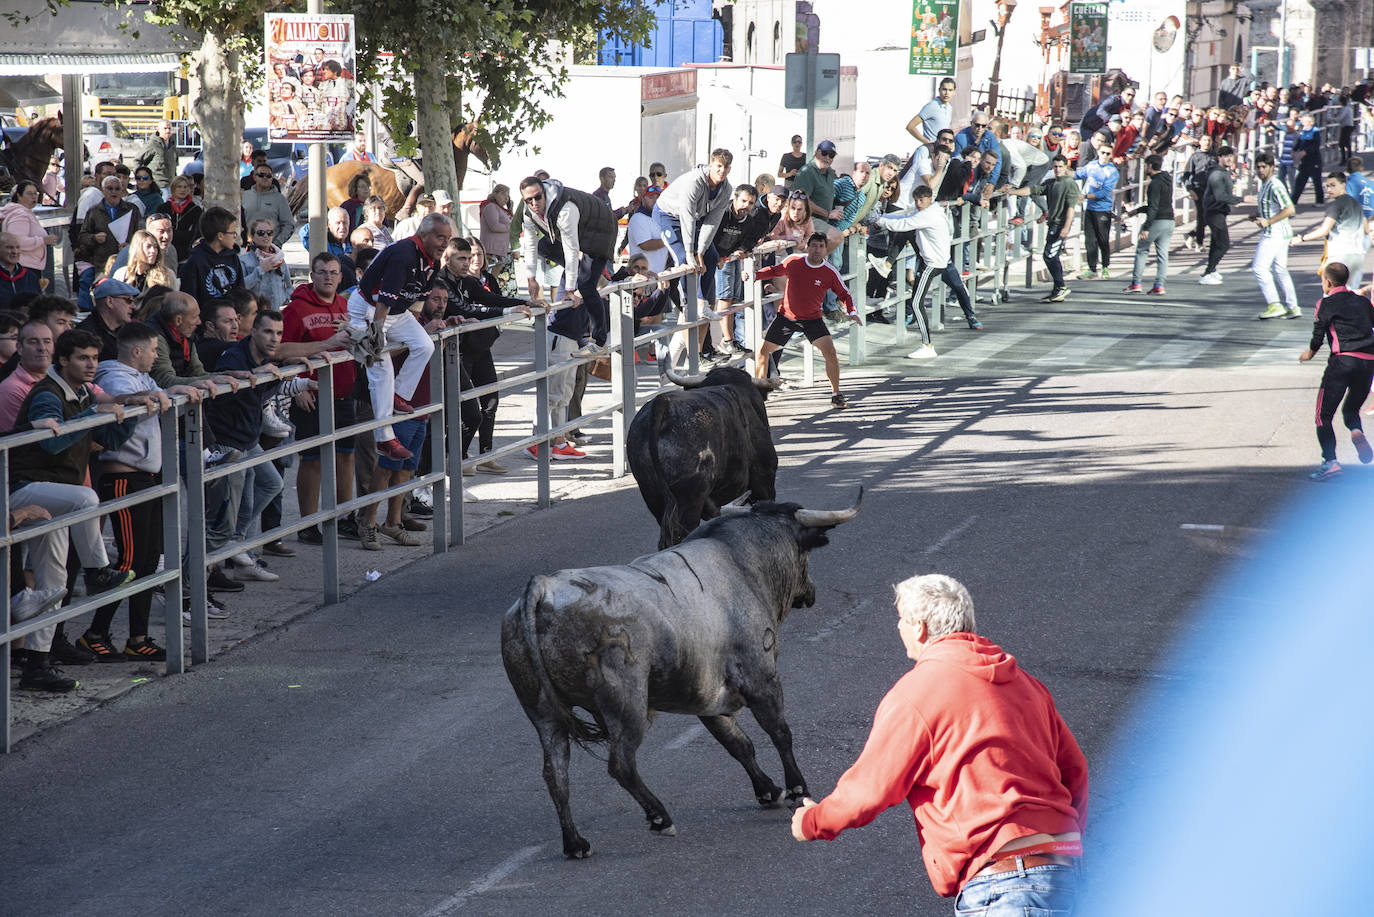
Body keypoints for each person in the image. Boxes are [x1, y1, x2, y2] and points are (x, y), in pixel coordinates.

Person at [791, 573, 1088, 916]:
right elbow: (1074, 771)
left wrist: (813, 822)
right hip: (1064, 872)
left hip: (1003, 884)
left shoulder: (918, 692)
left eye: (901, 619)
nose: (899, 627)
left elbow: (869, 790)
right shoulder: (1027, 685)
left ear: (919, 627)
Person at [9, 329, 156, 690]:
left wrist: (130, 411)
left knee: (54, 581)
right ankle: (98, 571)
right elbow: (52, 444)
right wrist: (92, 414)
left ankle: (36, 667)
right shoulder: (47, 392)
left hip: (57, 497)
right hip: (24, 489)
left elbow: (110, 439)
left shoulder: (86, 392)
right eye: (82, 358)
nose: (91, 364)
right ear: (63, 361)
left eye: (94, 357)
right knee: (88, 498)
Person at [82, 322, 202, 662]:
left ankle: (138, 637)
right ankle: (95, 633)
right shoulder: (119, 377)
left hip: (145, 477)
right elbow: (119, 398)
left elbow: (162, 390)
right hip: (123, 479)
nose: (156, 356)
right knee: (131, 561)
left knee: (149, 561)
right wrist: (140, 398)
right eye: (152, 350)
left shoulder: (143, 376)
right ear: (136, 351)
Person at [348, 212, 451, 460]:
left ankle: (399, 395)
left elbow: (417, 300)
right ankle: (384, 439)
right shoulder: (404, 255)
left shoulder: (432, 261)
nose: (444, 243)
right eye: (439, 237)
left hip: (397, 312)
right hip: (369, 309)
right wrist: (376, 337)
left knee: (424, 345)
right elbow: (383, 303)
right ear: (423, 235)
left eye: (447, 238)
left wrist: (413, 327)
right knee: (381, 369)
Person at [283, 252, 358, 543]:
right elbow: (280, 350)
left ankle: (344, 516)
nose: (328, 277)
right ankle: (308, 523)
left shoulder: (345, 306)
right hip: (311, 396)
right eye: (322, 272)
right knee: (312, 459)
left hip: (343, 394)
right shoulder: (296, 309)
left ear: (341, 277)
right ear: (312, 276)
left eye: (333, 272)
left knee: (345, 456)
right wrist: (297, 385)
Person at [747, 231, 859, 409]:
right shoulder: (794, 261)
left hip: (813, 320)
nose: (817, 249)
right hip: (787, 317)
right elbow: (775, 271)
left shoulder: (829, 272)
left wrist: (852, 311)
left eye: (821, 246)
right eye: (814, 245)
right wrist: (755, 275)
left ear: (826, 251)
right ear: (807, 247)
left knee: (830, 352)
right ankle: (759, 394)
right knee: (762, 350)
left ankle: (836, 394)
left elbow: (844, 293)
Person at [442, 238, 527, 470]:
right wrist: (509, 310)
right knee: (463, 411)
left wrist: (526, 303)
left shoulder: (470, 281)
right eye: (462, 258)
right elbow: (468, 309)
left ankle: (483, 455)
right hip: (456, 352)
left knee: (489, 400)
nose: (468, 262)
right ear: (447, 259)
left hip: (480, 347)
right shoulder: (441, 282)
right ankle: (457, 459)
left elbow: (490, 298)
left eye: (469, 258)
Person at [870, 185, 981, 359]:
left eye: (922, 200)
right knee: (918, 300)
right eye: (916, 200)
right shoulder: (933, 209)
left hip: (933, 264)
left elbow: (904, 223)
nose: (918, 204)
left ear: (929, 198)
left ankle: (928, 345)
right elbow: (906, 214)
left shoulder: (928, 215)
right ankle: (887, 264)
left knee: (916, 303)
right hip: (936, 260)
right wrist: (883, 217)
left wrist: (880, 220)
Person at [518, 174, 616, 356]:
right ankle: (592, 275)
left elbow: (571, 251)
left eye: (537, 197)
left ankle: (600, 342)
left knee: (586, 286)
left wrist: (570, 290)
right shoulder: (528, 212)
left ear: (544, 193)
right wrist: (531, 278)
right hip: (580, 229)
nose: (534, 203)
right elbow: (530, 244)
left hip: (601, 228)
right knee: (542, 246)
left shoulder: (565, 209)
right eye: (528, 200)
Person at [1299, 262, 1374, 481]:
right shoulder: (1361, 301)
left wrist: (1309, 353)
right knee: (1350, 410)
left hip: (1342, 363)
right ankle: (1355, 431)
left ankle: (1330, 462)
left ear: (1328, 282)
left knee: (1323, 415)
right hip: (1368, 362)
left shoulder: (1325, 303)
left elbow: (1318, 335)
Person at [1290, 172, 1371, 292]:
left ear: (1343, 185)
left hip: (1339, 254)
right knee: (1350, 292)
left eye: (1333, 185)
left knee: (1331, 292)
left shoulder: (1337, 205)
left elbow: (1323, 230)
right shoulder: (1356, 203)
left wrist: (1301, 238)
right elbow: (1365, 229)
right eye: (1327, 186)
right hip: (1356, 254)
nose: (1329, 189)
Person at [1251, 151, 1301, 320]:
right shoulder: (1265, 185)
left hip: (1275, 233)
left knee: (1259, 267)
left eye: (1264, 167)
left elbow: (1290, 208)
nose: (1260, 171)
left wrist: (1269, 221)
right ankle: (1293, 306)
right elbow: (1272, 207)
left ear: (1272, 167)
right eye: (1258, 167)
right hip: (1279, 232)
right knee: (1280, 270)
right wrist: (1257, 216)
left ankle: (1275, 304)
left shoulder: (1274, 185)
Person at [1124, 154, 1174, 294]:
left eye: (1146, 165)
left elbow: (1153, 207)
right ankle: (1159, 285)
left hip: (1156, 222)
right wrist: (1137, 210)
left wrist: (1146, 227)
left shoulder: (1154, 184)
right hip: (1169, 221)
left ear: (1150, 165)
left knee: (1142, 251)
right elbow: (1161, 204)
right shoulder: (1166, 180)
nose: (1145, 168)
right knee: (1163, 254)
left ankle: (1136, 283)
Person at [179, 207, 244, 309]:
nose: (235, 236)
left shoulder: (233, 257)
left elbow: (240, 290)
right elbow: (190, 297)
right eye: (232, 233)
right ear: (220, 236)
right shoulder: (196, 260)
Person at [1, 181, 60, 291]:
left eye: (35, 193)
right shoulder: (19, 215)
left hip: (29, 266)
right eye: (29, 193)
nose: (34, 197)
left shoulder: (25, 212)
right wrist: (43, 240)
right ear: (18, 195)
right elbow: (17, 241)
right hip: (24, 267)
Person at [1199, 145, 1243, 286]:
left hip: (1219, 211)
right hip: (1214, 212)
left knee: (1215, 243)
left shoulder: (1223, 172)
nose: (1230, 159)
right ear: (1220, 158)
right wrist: (1240, 200)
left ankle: (1211, 270)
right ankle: (1207, 272)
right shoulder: (1217, 174)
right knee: (1223, 244)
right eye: (1226, 156)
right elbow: (1220, 196)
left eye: (1231, 156)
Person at [1074, 143, 1118, 280]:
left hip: (1103, 209)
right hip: (1089, 208)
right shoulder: (1091, 165)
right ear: (1098, 152)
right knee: (1090, 240)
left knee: (1103, 239)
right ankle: (1092, 269)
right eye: (1103, 152)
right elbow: (1078, 174)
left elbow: (1104, 192)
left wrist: (1085, 196)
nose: (1105, 156)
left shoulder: (1112, 171)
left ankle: (1105, 267)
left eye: (1108, 154)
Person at [76, 276, 138, 359]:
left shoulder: (126, 332)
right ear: (109, 301)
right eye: (128, 300)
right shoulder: (86, 334)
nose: (133, 306)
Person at [240, 217, 292, 308]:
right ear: (252, 237)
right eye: (261, 233)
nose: (266, 236)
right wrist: (260, 270)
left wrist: (284, 298)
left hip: (276, 313)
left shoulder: (279, 259)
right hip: (255, 314)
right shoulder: (244, 260)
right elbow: (241, 287)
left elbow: (289, 286)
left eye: (269, 233)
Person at [155, 175, 203, 261]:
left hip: (187, 254)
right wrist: (183, 233)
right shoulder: (163, 208)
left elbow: (194, 234)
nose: (182, 190)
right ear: (173, 189)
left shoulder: (196, 210)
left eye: (185, 187)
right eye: (179, 187)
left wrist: (173, 232)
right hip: (165, 252)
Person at [112, 229, 176, 293]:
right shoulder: (122, 274)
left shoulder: (166, 275)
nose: (153, 251)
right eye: (148, 246)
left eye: (155, 247)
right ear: (137, 249)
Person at [626, 184, 668, 272]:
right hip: (643, 277)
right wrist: (669, 240)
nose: (655, 200)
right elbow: (645, 245)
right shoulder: (638, 218)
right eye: (651, 197)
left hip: (658, 276)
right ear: (643, 199)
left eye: (658, 197)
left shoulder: (661, 219)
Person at [906, 77, 956, 145]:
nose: (947, 93)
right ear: (939, 90)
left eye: (950, 90)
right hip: (930, 150)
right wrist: (928, 143)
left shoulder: (949, 107)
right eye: (944, 89)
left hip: (942, 151)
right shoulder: (932, 106)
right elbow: (910, 126)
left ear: (954, 92)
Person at [1291, 112, 1325, 205]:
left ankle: (1320, 201)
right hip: (1305, 161)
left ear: (1311, 122)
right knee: (1300, 181)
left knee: (1317, 181)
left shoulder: (1315, 131)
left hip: (1314, 160)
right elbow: (1299, 142)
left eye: (1306, 121)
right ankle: (1293, 200)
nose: (1303, 123)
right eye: (1303, 121)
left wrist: (1305, 152)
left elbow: (1315, 145)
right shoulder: (1303, 131)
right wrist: (1294, 150)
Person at [0, 232, 40, 308]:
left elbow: (39, 306)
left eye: (18, 247)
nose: (15, 252)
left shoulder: (30, 277)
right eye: (9, 247)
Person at [479, 185, 512, 258]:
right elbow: (494, 226)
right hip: (492, 251)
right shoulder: (491, 207)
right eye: (504, 195)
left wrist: (510, 209)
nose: (506, 198)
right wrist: (510, 227)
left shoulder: (501, 209)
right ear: (495, 194)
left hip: (501, 250)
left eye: (508, 196)